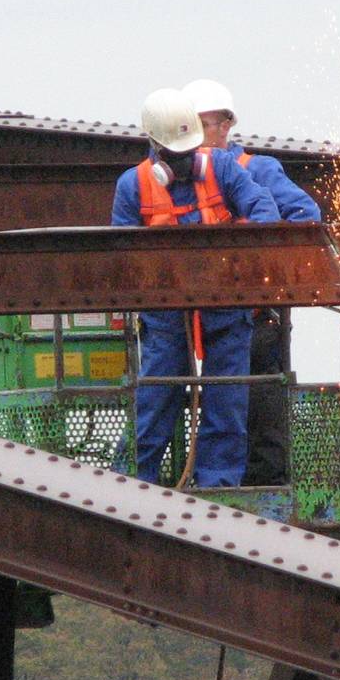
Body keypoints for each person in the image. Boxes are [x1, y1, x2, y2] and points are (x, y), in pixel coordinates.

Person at [112, 87, 279, 487]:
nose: (184, 164)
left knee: (227, 402)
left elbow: (266, 213)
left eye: (188, 153)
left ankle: (217, 488)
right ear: (154, 146)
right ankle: (129, 485)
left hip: (226, 309)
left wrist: (233, 260)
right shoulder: (133, 186)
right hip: (168, 317)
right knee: (154, 401)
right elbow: (119, 260)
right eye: (175, 155)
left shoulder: (221, 167)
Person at [183, 78, 322, 486]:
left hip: (256, 317)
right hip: (198, 319)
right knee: (208, 400)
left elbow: (304, 215)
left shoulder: (255, 170)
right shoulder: (181, 178)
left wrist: (260, 263)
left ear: (226, 126)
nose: (199, 137)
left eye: (206, 125)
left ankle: (261, 485)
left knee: (259, 404)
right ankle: (209, 477)